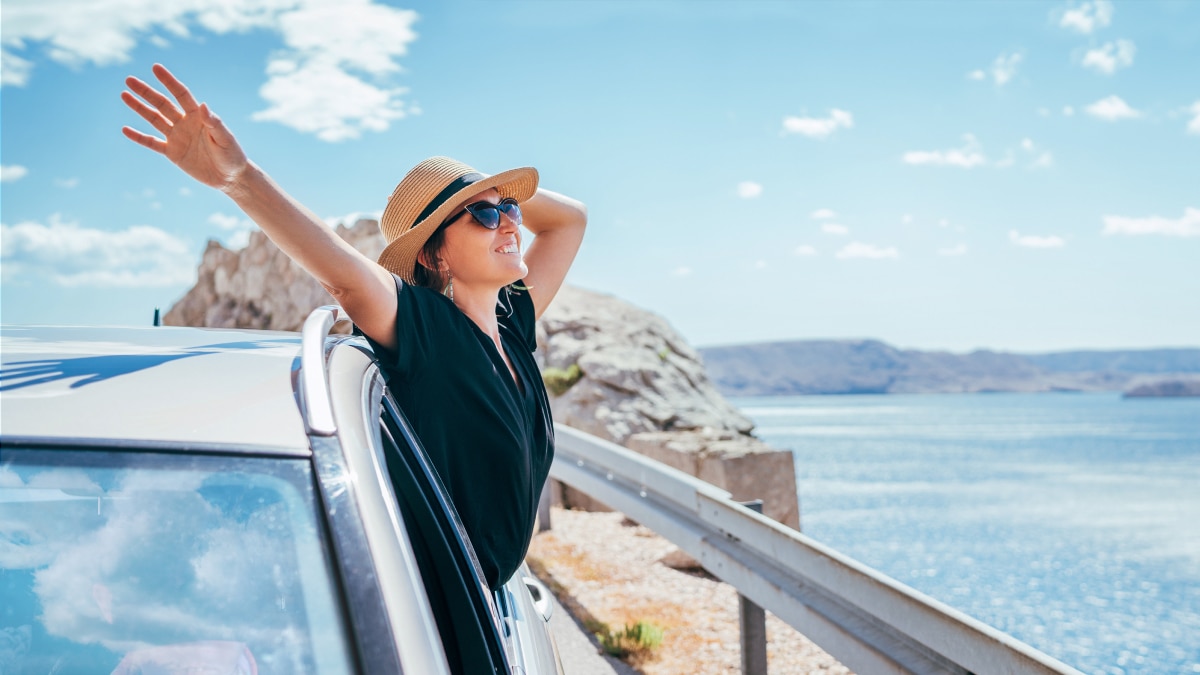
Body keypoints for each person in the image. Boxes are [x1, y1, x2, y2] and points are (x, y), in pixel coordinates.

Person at [121, 64, 586, 590]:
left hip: (489, 607)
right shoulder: (427, 331)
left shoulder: (513, 323)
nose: (507, 222)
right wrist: (240, 179)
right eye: (481, 217)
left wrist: (484, 190)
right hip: (439, 616)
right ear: (434, 256)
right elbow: (346, 278)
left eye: (509, 209)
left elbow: (571, 219)